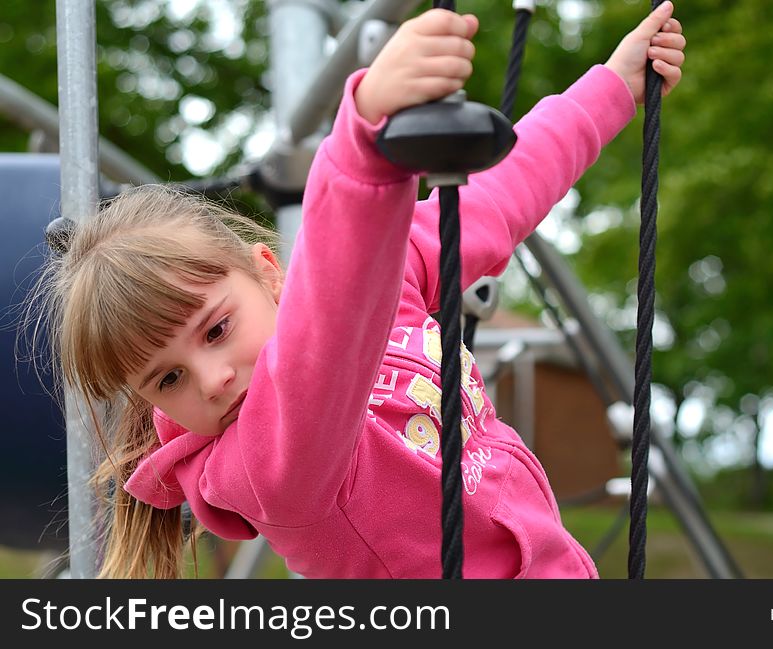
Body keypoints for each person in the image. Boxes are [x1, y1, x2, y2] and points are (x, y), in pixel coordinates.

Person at [35, 2, 685, 578]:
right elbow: (328, 325)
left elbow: (494, 201)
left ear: (267, 271)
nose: (210, 379)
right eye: (166, 378)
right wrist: (367, 134)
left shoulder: (385, 288)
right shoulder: (270, 469)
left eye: (216, 329)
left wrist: (612, 89)